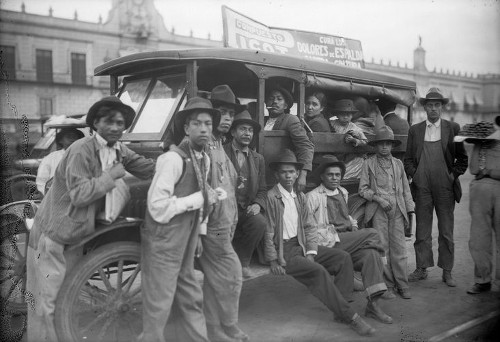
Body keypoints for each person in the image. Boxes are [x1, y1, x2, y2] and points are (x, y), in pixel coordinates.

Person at [26, 96, 156, 342]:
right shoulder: (80, 150)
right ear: (96, 123)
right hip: (53, 233)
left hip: (76, 233)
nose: (116, 127)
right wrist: (111, 176)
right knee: (46, 304)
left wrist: (176, 159)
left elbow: (147, 167)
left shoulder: (118, 149)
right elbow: (79, 194)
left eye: (121, 122)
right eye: (109, 121)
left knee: (66, 297)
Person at [262, 149, 377, 337]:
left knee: (342, 257)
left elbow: (309, 227)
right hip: (284, 250)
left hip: (301, 244)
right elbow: (268, 230)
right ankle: (351, 317)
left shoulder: (299, 197)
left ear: (297, 173)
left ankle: (342, 309)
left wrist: (311, 252)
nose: (288, 175)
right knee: (318, 272)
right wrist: (273, 260)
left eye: (292, 172)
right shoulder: (271, 197)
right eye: (284, 172)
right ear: (277, 174)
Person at [140, 97, 226, 342]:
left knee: (190, 295)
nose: (203, 129)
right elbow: (157, 208)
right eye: (197, 123)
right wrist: (200, 199)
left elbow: (202, 196)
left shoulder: (204, 158)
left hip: (187, 236)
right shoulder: (172, 159)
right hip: (163, 238)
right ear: (186, 129)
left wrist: (199, 231)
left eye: (208, 124)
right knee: (159, 304)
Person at [307, 155, 394, 319]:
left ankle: (373, 306)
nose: (334, 178)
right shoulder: (313, 197)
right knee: (373, 234)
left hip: (346, 240)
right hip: (328, 243)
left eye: (337, 175)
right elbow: (308, 229)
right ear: (322, 176)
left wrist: (353, 224)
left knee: (371, 255)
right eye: (330, 175)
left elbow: (346, 216)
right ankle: (386, 271)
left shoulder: (343, 192)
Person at [404, 87, 468, 287]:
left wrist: (451, 177)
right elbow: (407, 160)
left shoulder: (453, 128)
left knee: (446, 230)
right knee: (422, 229)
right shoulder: (415, 130)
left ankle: (447, 271)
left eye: (437, 105)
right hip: (422, 186)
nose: (433, 109)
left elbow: (462, 160)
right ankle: (421, 268)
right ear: (424, 108)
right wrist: (415, 174)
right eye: (430, 105)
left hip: (445, 187)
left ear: (442, 107)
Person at [199, 84, 248, 342]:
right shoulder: (204, 144)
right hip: (213, 225)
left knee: (213, 279)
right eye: (222, 112)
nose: (227, 118)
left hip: (225, 223)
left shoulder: (221, 144)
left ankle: (215, 329)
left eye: (231, 113)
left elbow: (227, 185)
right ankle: (227, 326)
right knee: (232, 275)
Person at [359, 126, 415, 299]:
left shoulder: (398, 164)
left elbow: (406, 189)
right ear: (375, 146)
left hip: (397, 209)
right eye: (381, 144)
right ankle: (388, 284)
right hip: (378, 210)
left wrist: (410, 209)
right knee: (382, 247)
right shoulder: (369, 164)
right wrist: (378, 199)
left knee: (399, 247)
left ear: (392, 146)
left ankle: (402, 284)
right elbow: (363, 189)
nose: (384, 147)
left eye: (388, 144)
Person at [224, 110, 268, 279]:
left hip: (245, 208)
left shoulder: (258, 159)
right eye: (243, 129)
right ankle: (224, 263)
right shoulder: (221, 152)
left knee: (259, 222)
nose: (247, 134)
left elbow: (262, 188)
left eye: (250, 131)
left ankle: (243, 262)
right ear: (233, 132)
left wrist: (257, 204)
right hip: (225, 209)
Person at [466, 116, 500, 294]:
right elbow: (472, 170)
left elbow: (480, 170)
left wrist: (488, 171)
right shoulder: (485, 140)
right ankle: (482, 280)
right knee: (479, 237)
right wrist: (478, 143)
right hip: (480, 190)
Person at [265, 86, 314, 192]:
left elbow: (305, 146)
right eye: (271, 98)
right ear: (266, 104)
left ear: (285, 105)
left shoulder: (290, 120)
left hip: (280, 177)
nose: (274, 102)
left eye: (279, 99)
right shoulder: (262, 120)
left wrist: (303, 174)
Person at [36, 127, 84, 194]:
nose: (73, 140)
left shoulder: (86, 156)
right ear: (60, 140)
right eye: (69, 137)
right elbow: (41, 182)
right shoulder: (50, 158)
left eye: (75, 137)